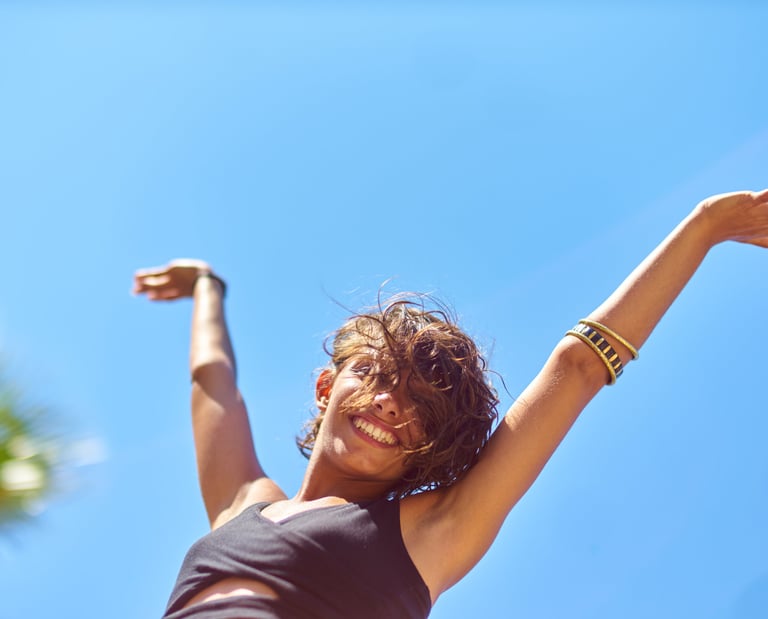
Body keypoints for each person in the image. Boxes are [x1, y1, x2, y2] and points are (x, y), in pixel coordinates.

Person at [134, 190, 768, 619]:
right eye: (373, 376)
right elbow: (213, 383)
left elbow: (575, 370)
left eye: (418, 407)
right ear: (326, 388)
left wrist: (706, 226)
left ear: (429, 446)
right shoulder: (244, 505)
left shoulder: (428, 532)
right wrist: (209, 288)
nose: (387, 404)